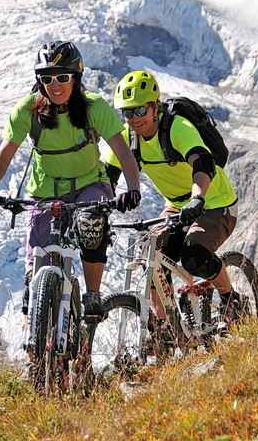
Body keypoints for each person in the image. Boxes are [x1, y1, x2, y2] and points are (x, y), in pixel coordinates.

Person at [0, 41, 142, 320]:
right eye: (47, 78)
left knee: (91, 225)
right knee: (35, 271)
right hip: (45, 190)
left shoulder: (94, 107)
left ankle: (92, 296)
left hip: (89, 183)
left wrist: (133, 188)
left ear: (76, 78)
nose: (55, 85)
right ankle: (35, 347)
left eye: (62, 77)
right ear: (39, 81)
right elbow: (6, 150)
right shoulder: (28, 110)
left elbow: (122, 151)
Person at [103, 71, 242, 322]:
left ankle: (232, 300)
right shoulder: (128, 137)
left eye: (140, 110)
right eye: (127, 112)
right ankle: (167, 326)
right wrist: (98, 208)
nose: (134, 119)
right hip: (177, 206)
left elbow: (202, 161)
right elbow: (108, 176)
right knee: (151, 255)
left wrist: (198, 197)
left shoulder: (178, 127)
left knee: (194, 256)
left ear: (155, 106)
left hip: (215, 202)